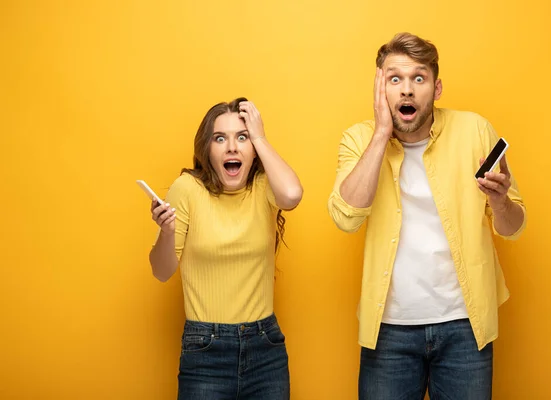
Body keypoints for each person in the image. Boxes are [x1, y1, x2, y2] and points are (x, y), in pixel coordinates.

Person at [327, 32, 527, 399]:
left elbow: (513, 228)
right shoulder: (359, 139)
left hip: (465, 328)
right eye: (394, 79)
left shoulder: (476, 130)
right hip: (388, 331)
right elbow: (346, 217)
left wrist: (500, 202)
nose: (406, 90)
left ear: (436, 89)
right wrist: (381, 135)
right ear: (380, 88)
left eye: (418, 78)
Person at [149, 97, 302, 399]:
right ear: (207, 149)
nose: (232, 147)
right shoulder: (187, 189)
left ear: (253, 150)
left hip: (265, 347)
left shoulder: (263, 186)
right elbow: (161, 271)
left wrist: (259, 136)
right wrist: (166, 233)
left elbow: (292, 195)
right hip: (205, 349)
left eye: (242, 137)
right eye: (221, 138)